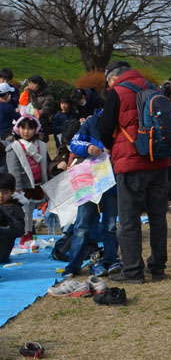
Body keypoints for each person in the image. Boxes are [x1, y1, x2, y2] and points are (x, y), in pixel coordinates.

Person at [98, 60, 170, 284]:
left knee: (129, 220)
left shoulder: (116, 92)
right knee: (158, 218)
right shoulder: (152, 87)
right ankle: (157, 267)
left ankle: (132, 271)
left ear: (112, 77)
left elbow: (104, 129)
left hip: (131, 163)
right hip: (159, 161)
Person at [66, 107, 120, 277]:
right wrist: (88, 147)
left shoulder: (124, 121)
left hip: (112, 183)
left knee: (110, 225)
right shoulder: (92, 121)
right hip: (89, 181)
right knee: (82, 224)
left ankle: (110, 260)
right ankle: (73, 264)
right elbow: (75, 142)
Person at [5, 114, 49, 246]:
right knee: (24, 212)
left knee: (31, 210)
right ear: (18, 129)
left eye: (30, 128)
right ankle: (24, 235)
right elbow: (14, 170)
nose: (26, 132)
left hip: (37, 183)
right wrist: (17, 189)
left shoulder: (41, 145)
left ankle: (29, 232)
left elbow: (45, 165)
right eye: (23, 128)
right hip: (22, 186)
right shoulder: (14, 147)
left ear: (35, 130)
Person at [0, 173, 25, 264]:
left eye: (5, 192)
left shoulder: (15, 209)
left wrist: (3, 230)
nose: (1, 196)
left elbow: (20, 230)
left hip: (3, 250)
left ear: (13, 191)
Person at [25, 75, 54, 141]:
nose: (31, 86)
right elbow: (24, 104)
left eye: (33, 84)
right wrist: (25, 94)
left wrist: (38, 112)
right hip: (30, 120)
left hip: (41, 122)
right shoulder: (30, 94)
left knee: (40, 143)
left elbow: (47, 109)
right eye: (29, 83)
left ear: (39, 84)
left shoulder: (47, 96)